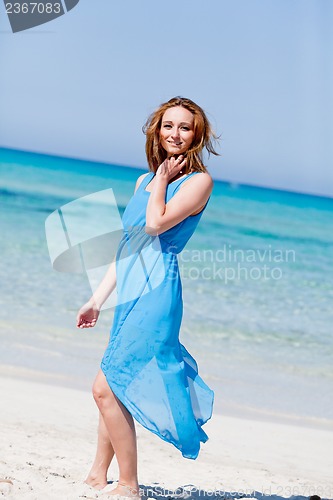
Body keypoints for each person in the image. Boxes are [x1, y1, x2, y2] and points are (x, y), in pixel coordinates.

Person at [76, 96, 219, 498]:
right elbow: (127, 249)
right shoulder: (143, 181)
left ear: (197, 135)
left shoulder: (199, 183)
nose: (175, 134)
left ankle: (129, 484)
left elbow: (155, 225)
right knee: (116, 383)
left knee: (103, 387)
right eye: (168, 125)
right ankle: (96, 474)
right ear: (157, 131)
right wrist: (97, 300)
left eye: (185, 127)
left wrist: (161, 181)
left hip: (158, 293)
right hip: (130, 292)